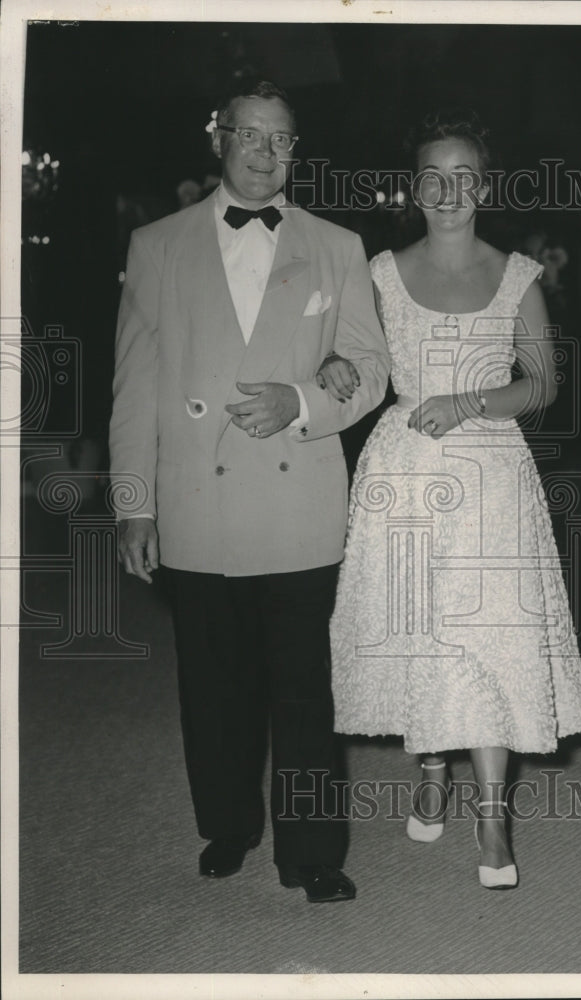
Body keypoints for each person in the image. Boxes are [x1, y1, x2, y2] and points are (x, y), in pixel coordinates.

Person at [110, 79, 390, 903]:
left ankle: (311, 851)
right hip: (197, 498)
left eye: (284, 141)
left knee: (305, 691)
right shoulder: (156, 244)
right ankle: (227, 827)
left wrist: (301, 403)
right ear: (219, 140)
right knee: (214, 686)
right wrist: (134, 502)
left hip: (298, 500)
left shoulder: (336, 244)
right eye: (251, 137)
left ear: (297, 151)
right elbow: (134, 386)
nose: (267, 155)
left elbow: (370, 369)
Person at [322, 110, 581, 889]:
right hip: (401, 472)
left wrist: (469, 402)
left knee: (487, 636)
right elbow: (358, 362)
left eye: (462, 176)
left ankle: (490, 821)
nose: (447, 191)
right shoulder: (377, 272)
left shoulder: (515, 276)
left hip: (489, 478)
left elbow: (542, 384)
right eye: (432, 176)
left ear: (483, 185)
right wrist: (336, 367)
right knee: (422, 632)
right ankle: (430, 770)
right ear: (414, 188)